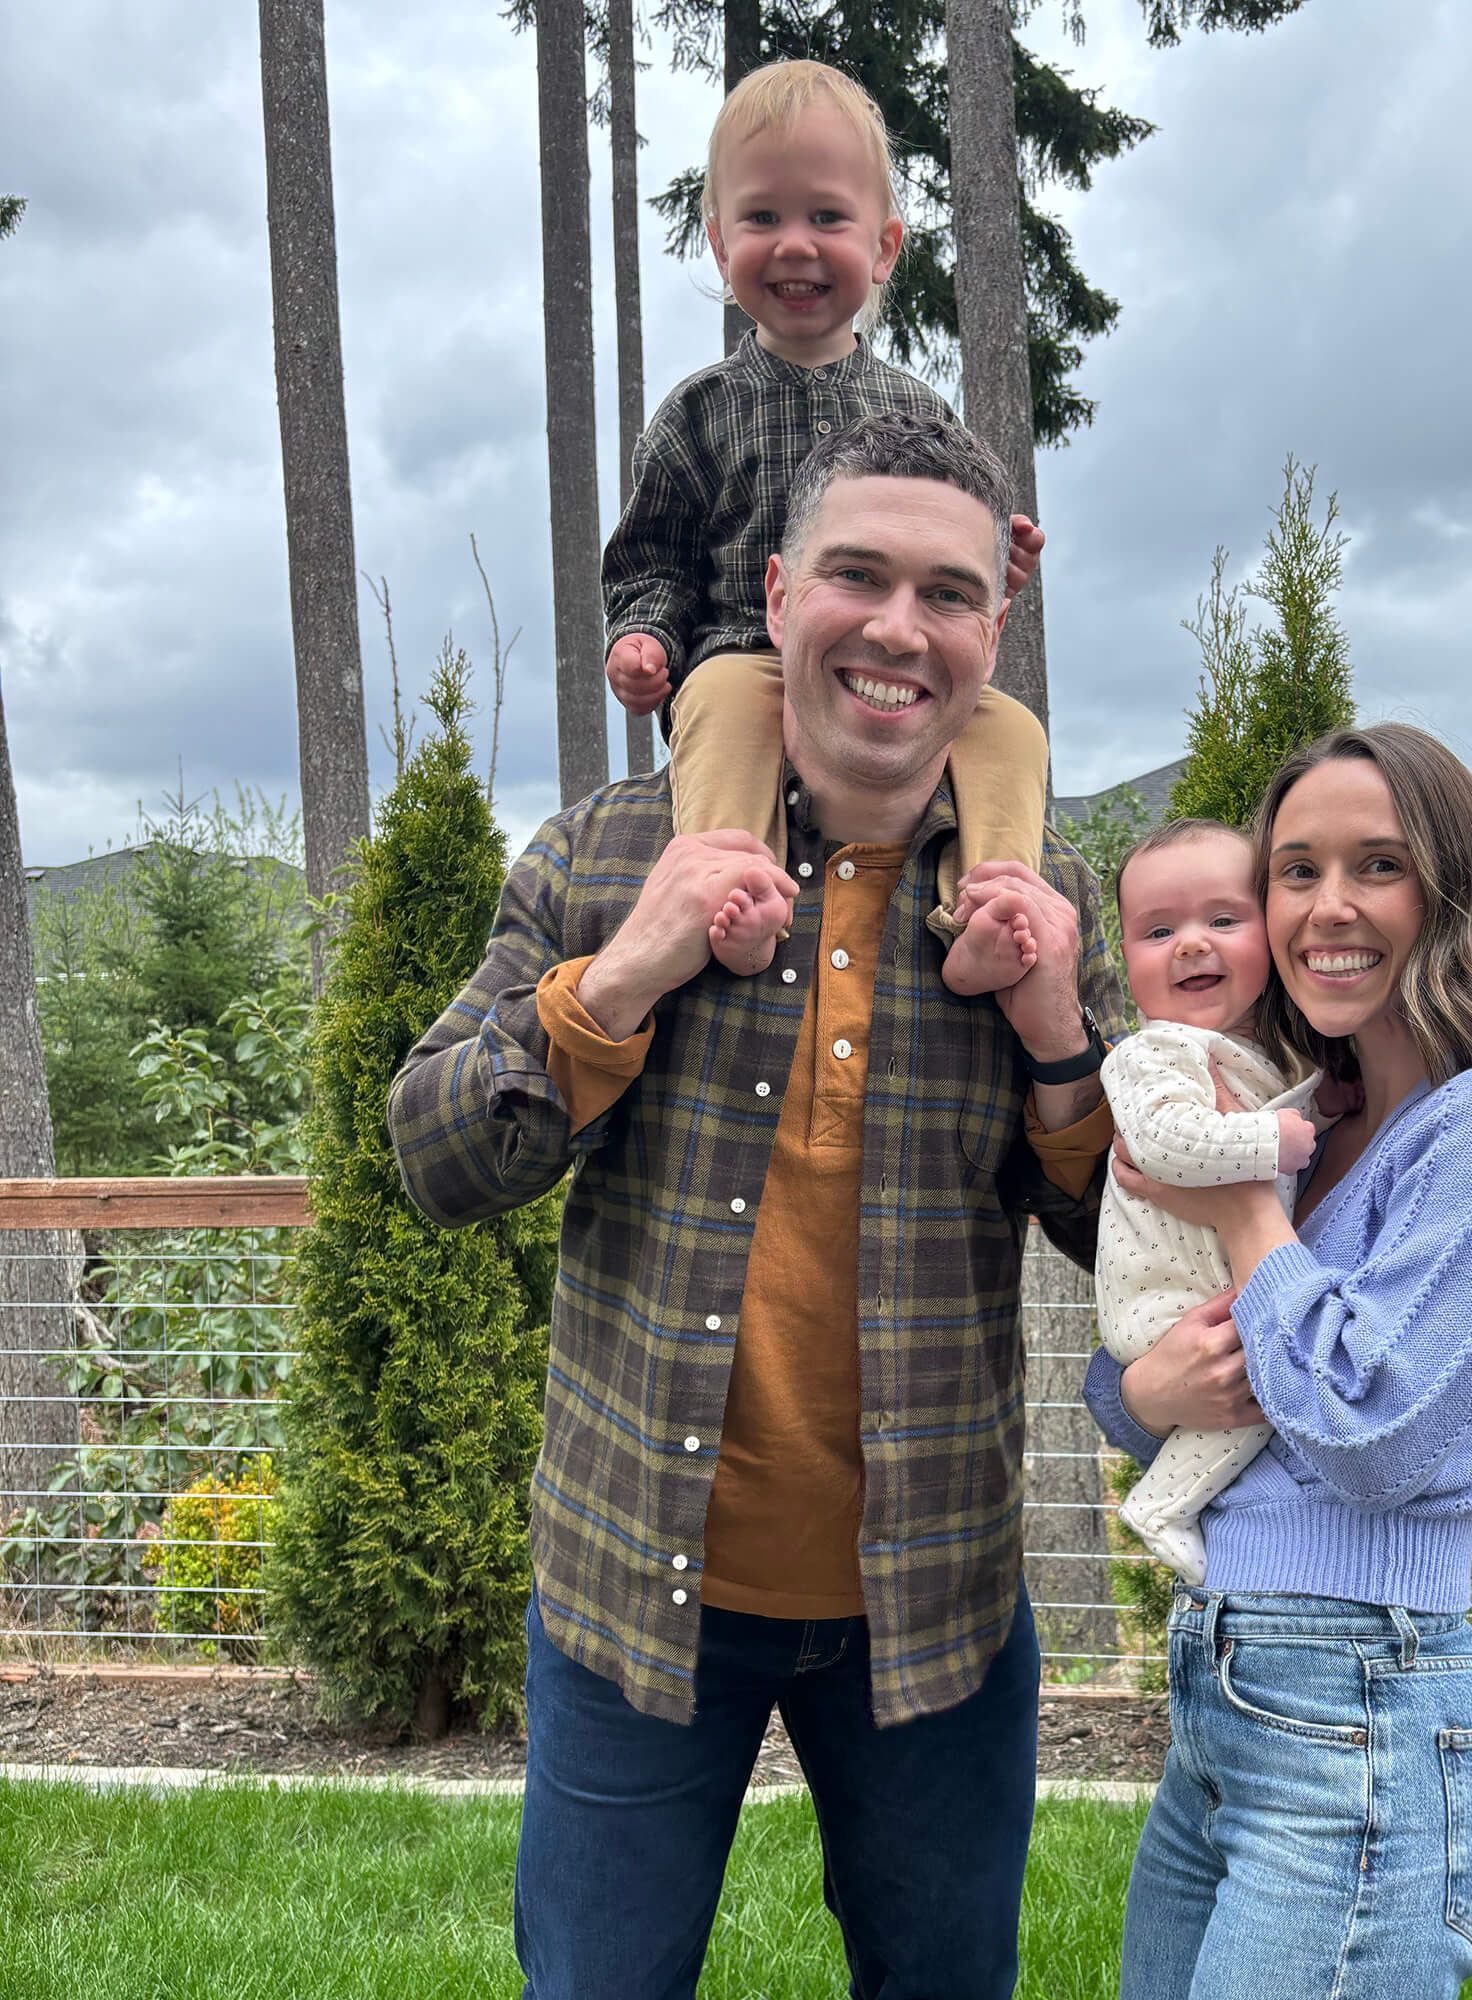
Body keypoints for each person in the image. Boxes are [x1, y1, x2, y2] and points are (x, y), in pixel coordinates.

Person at [388, 412, 1124, 2000]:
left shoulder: (1025, 895)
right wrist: (630, 970)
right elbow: (436, 1159)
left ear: (994, 629)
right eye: (857, 574)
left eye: (946, 592)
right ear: (780, 594)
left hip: (931, 1611)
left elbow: (1115, 1238)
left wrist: (1061, 1033)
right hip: (629, 1595)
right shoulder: (608, 855)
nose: (897, 627)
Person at [1085, 724, 1472, 1999]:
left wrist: (1242, 1205)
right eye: (1295, 868)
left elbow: (1370, 1428)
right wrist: (1137, 1392)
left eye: (1376, 864)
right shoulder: (1297, 1112)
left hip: (1362, 1698)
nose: (1328, 906)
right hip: (1224, 1689)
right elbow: (1171, 1375)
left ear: (1451, 888)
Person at [601, 57, 1051, 997]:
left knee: (1011, 731)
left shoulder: (920, 414)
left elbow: (948, 556)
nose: (794, 244)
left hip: (879, 675)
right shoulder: (699, 412)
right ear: (720, 245)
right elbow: (652, 553)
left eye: (827, 218)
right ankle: (733, 886)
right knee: (722, 703)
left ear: (884, 248)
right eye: (763, 218)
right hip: (739, 655)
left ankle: (993, 906)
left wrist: (995, 565)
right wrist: (643, 636)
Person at [1094, 818, 1325, 1583]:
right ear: (1126, 962)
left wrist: (1323, 1103)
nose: (1192, 942)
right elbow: (1164, 1142)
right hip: (1166, 1305)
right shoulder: (1150, 1052)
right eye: (1158, 930)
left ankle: (1166, 1503)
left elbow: (1282, 1115)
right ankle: (1162, 1505)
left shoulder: (1252, 1053)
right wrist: (1272, 1141)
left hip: (1203, 1292)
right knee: (1255, 1392)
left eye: (1223, 919)